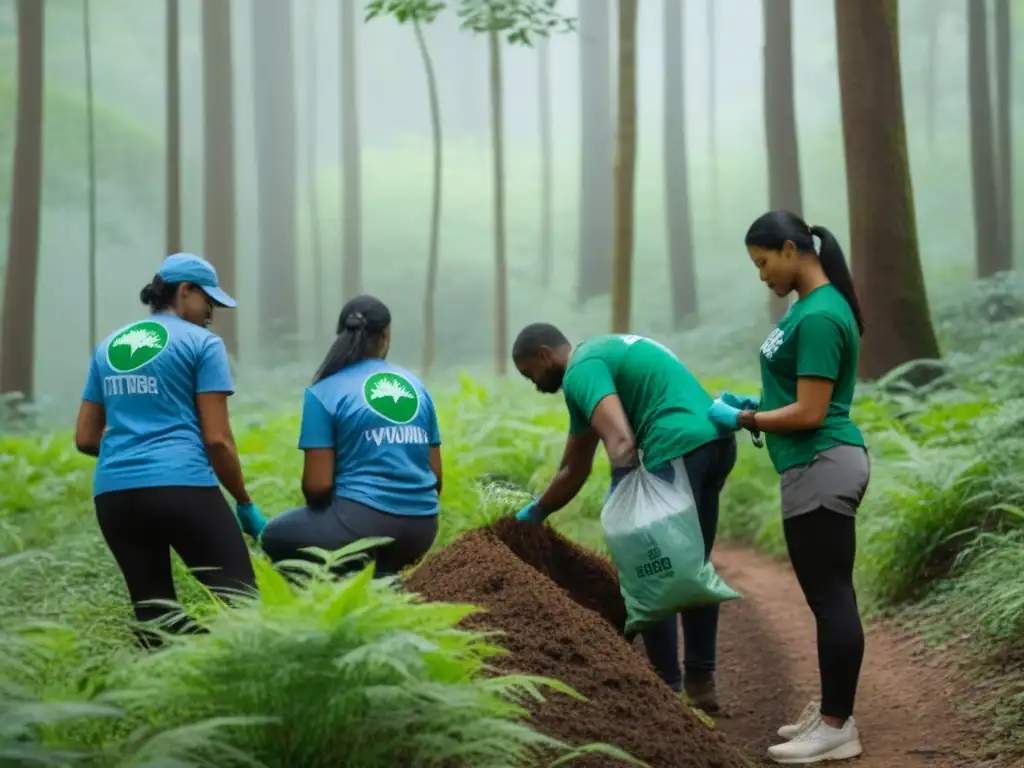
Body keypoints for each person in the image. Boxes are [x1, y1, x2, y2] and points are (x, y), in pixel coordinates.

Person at [707, 210, 869, 764]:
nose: (761, 276)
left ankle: (837, 726)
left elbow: (811, 413)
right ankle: (832, 708)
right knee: (826, 595)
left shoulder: (822, 315)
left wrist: (745, 423)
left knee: (831, 597)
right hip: (811, 463)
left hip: (822, 460)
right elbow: (794, 400)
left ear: (788, 249)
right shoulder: (807, 309)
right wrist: (752, 407)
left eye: (762, 263)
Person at [511, 325, 737, 713]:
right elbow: (574, 467)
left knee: (649, 565)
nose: (534, 384)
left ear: (546, 355)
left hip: (675, 445)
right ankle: (701, 684)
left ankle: (666, 691)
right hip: (714, 443)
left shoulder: (582, 370)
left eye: (530, 373)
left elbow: (620, 441)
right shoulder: (604, 354)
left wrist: (625, 492)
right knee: (690, 564)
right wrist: (538, 510)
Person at [74, 253, 263, 649]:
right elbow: (217, 439)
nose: (211, 312)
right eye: (208, 300)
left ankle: (176, 695)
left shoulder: (109, 346)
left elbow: (86, 438)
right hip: (183, 486)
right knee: (245, 605)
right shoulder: (203, 344)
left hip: (115, 495)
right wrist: (244, 502)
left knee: (155, 616)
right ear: (185, 290)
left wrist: (131, 450)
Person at [240, 295, 442, 579]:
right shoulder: (417, 388)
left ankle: (344, 591)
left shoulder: (324, 391)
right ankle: (381, 582)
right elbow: (436, 477)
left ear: (342, 336)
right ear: (385, 336)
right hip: (422, 530)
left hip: (358, 525)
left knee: (274, 535)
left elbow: (317, 486)